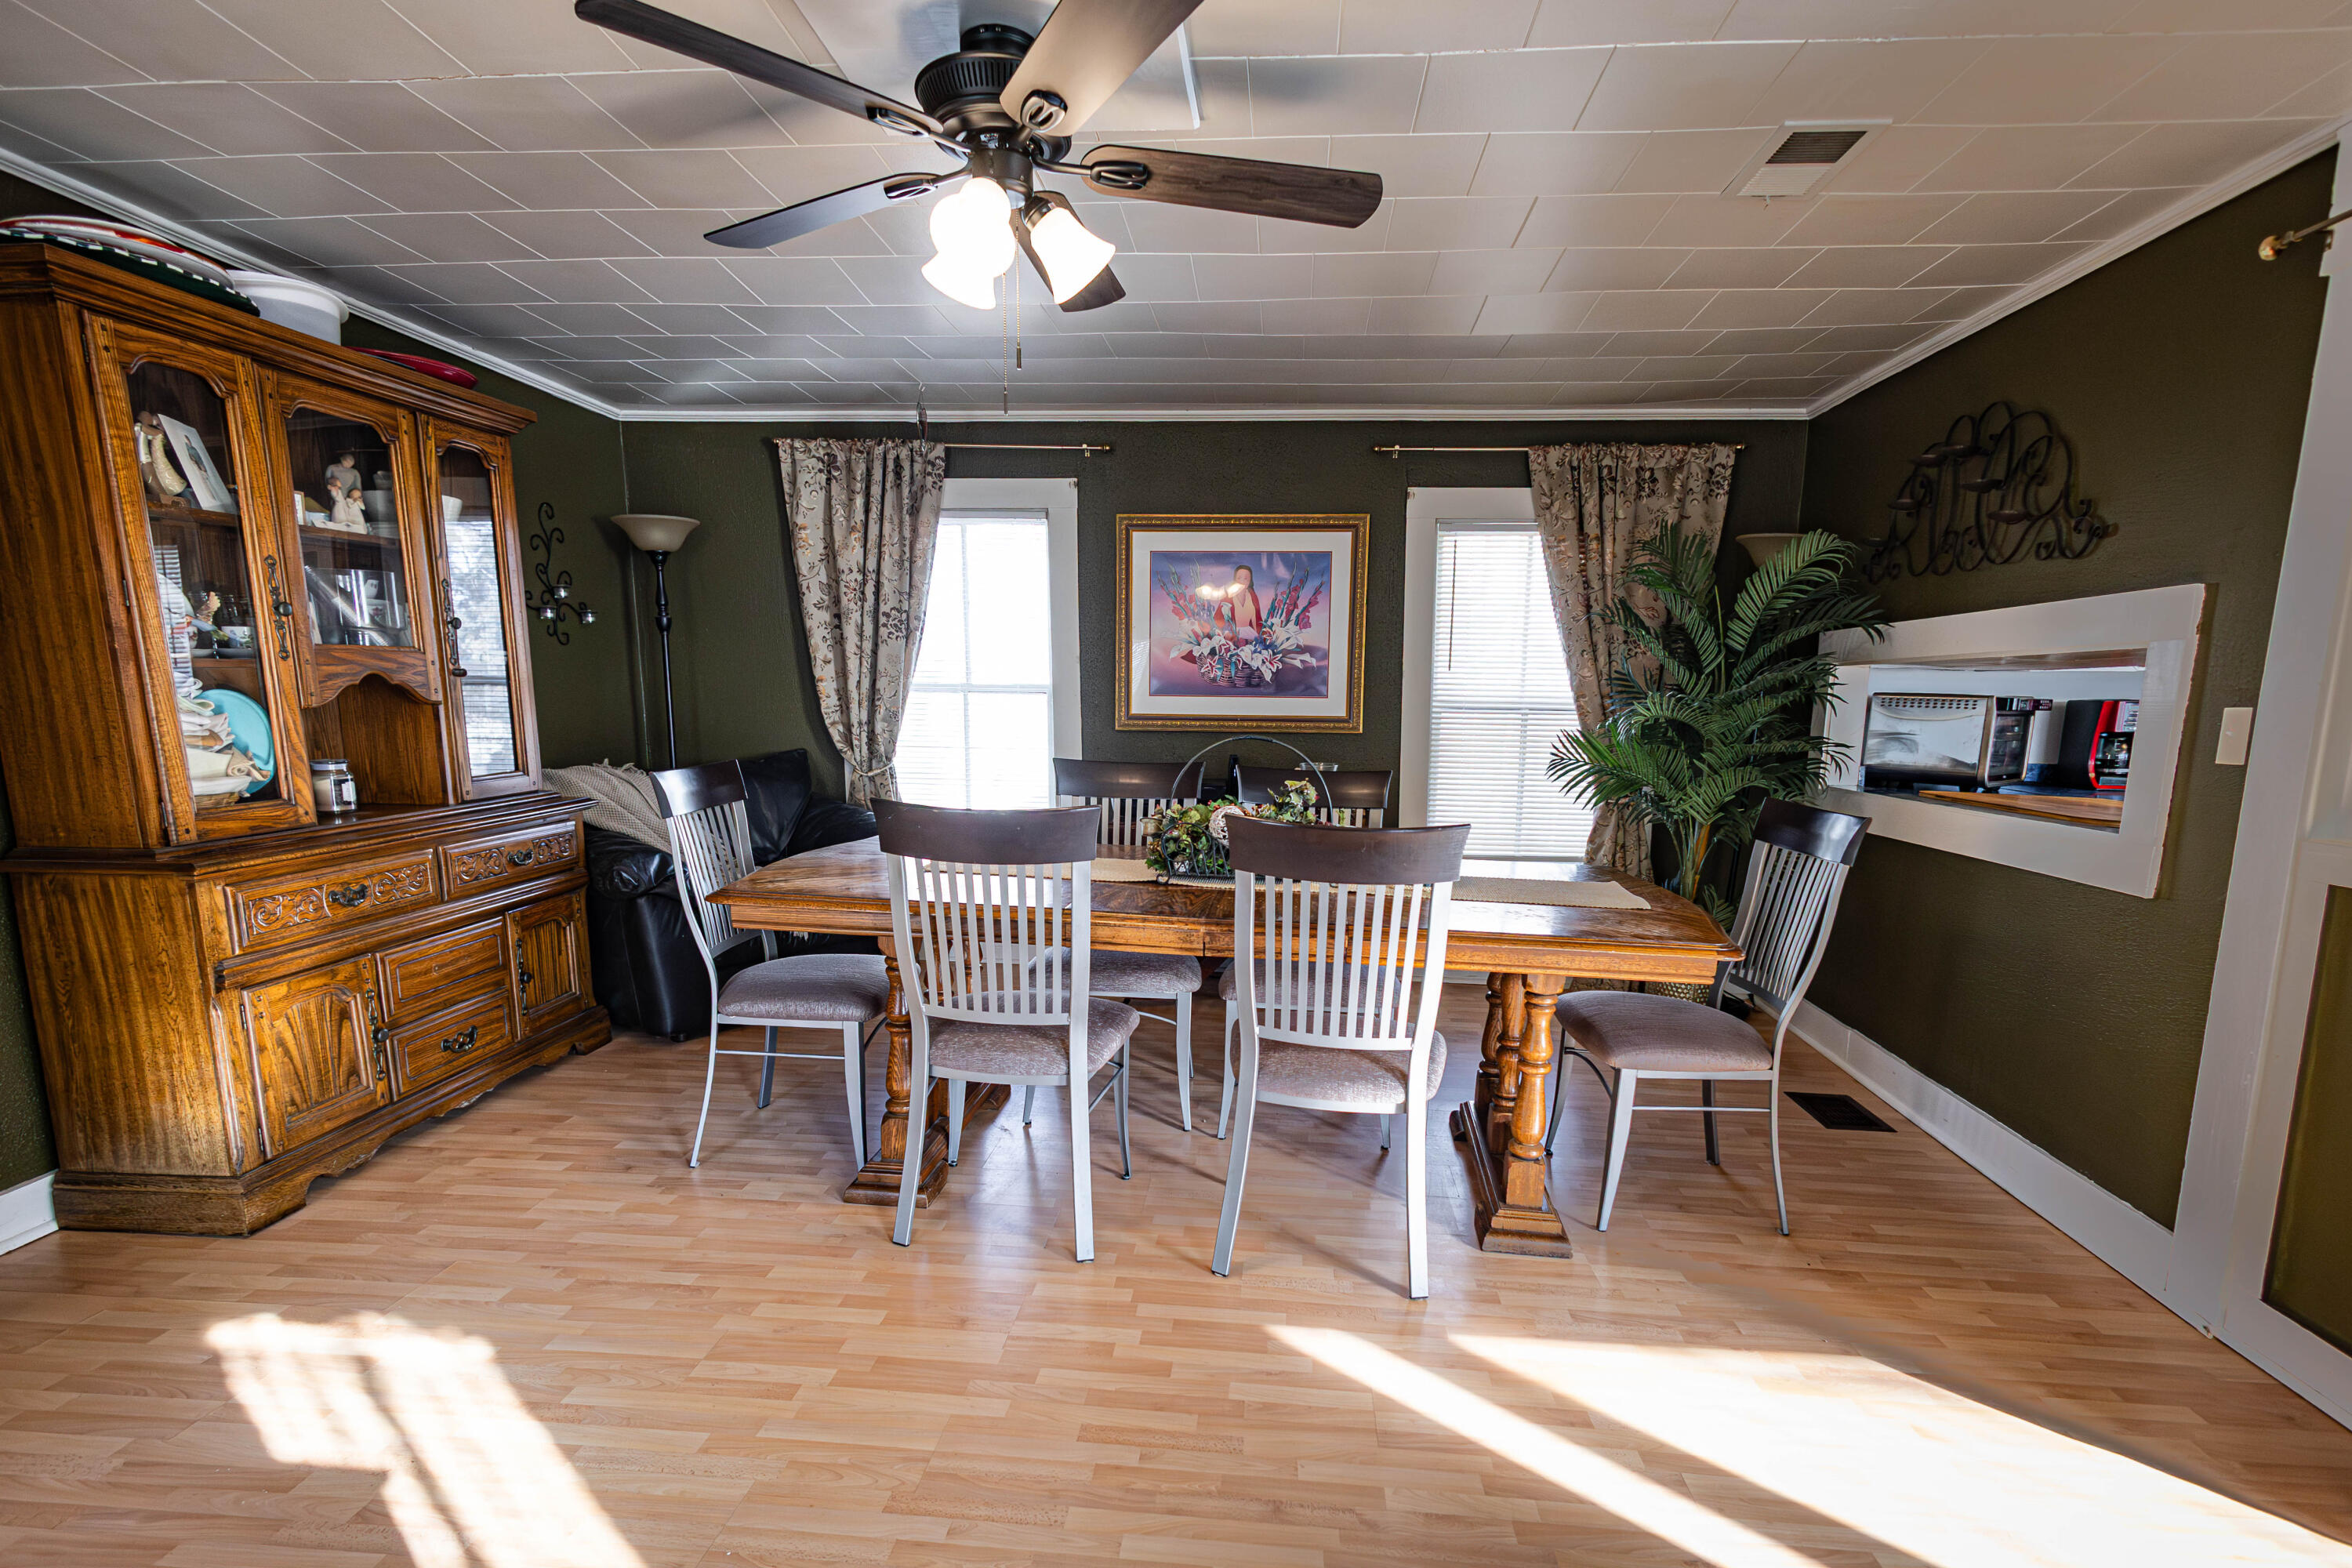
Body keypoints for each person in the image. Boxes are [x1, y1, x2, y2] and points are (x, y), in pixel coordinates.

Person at [1225, 564, 1261, 641]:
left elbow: (1256, 620)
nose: (1242, 581)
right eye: (1239, 578)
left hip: (1249, 633)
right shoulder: (1228, 596)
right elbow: (1220, 618)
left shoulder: (1252, 596)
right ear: (1235, 580)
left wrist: (1259, 634)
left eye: (1246, 579)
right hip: (1232, 634)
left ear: (1250, 581)